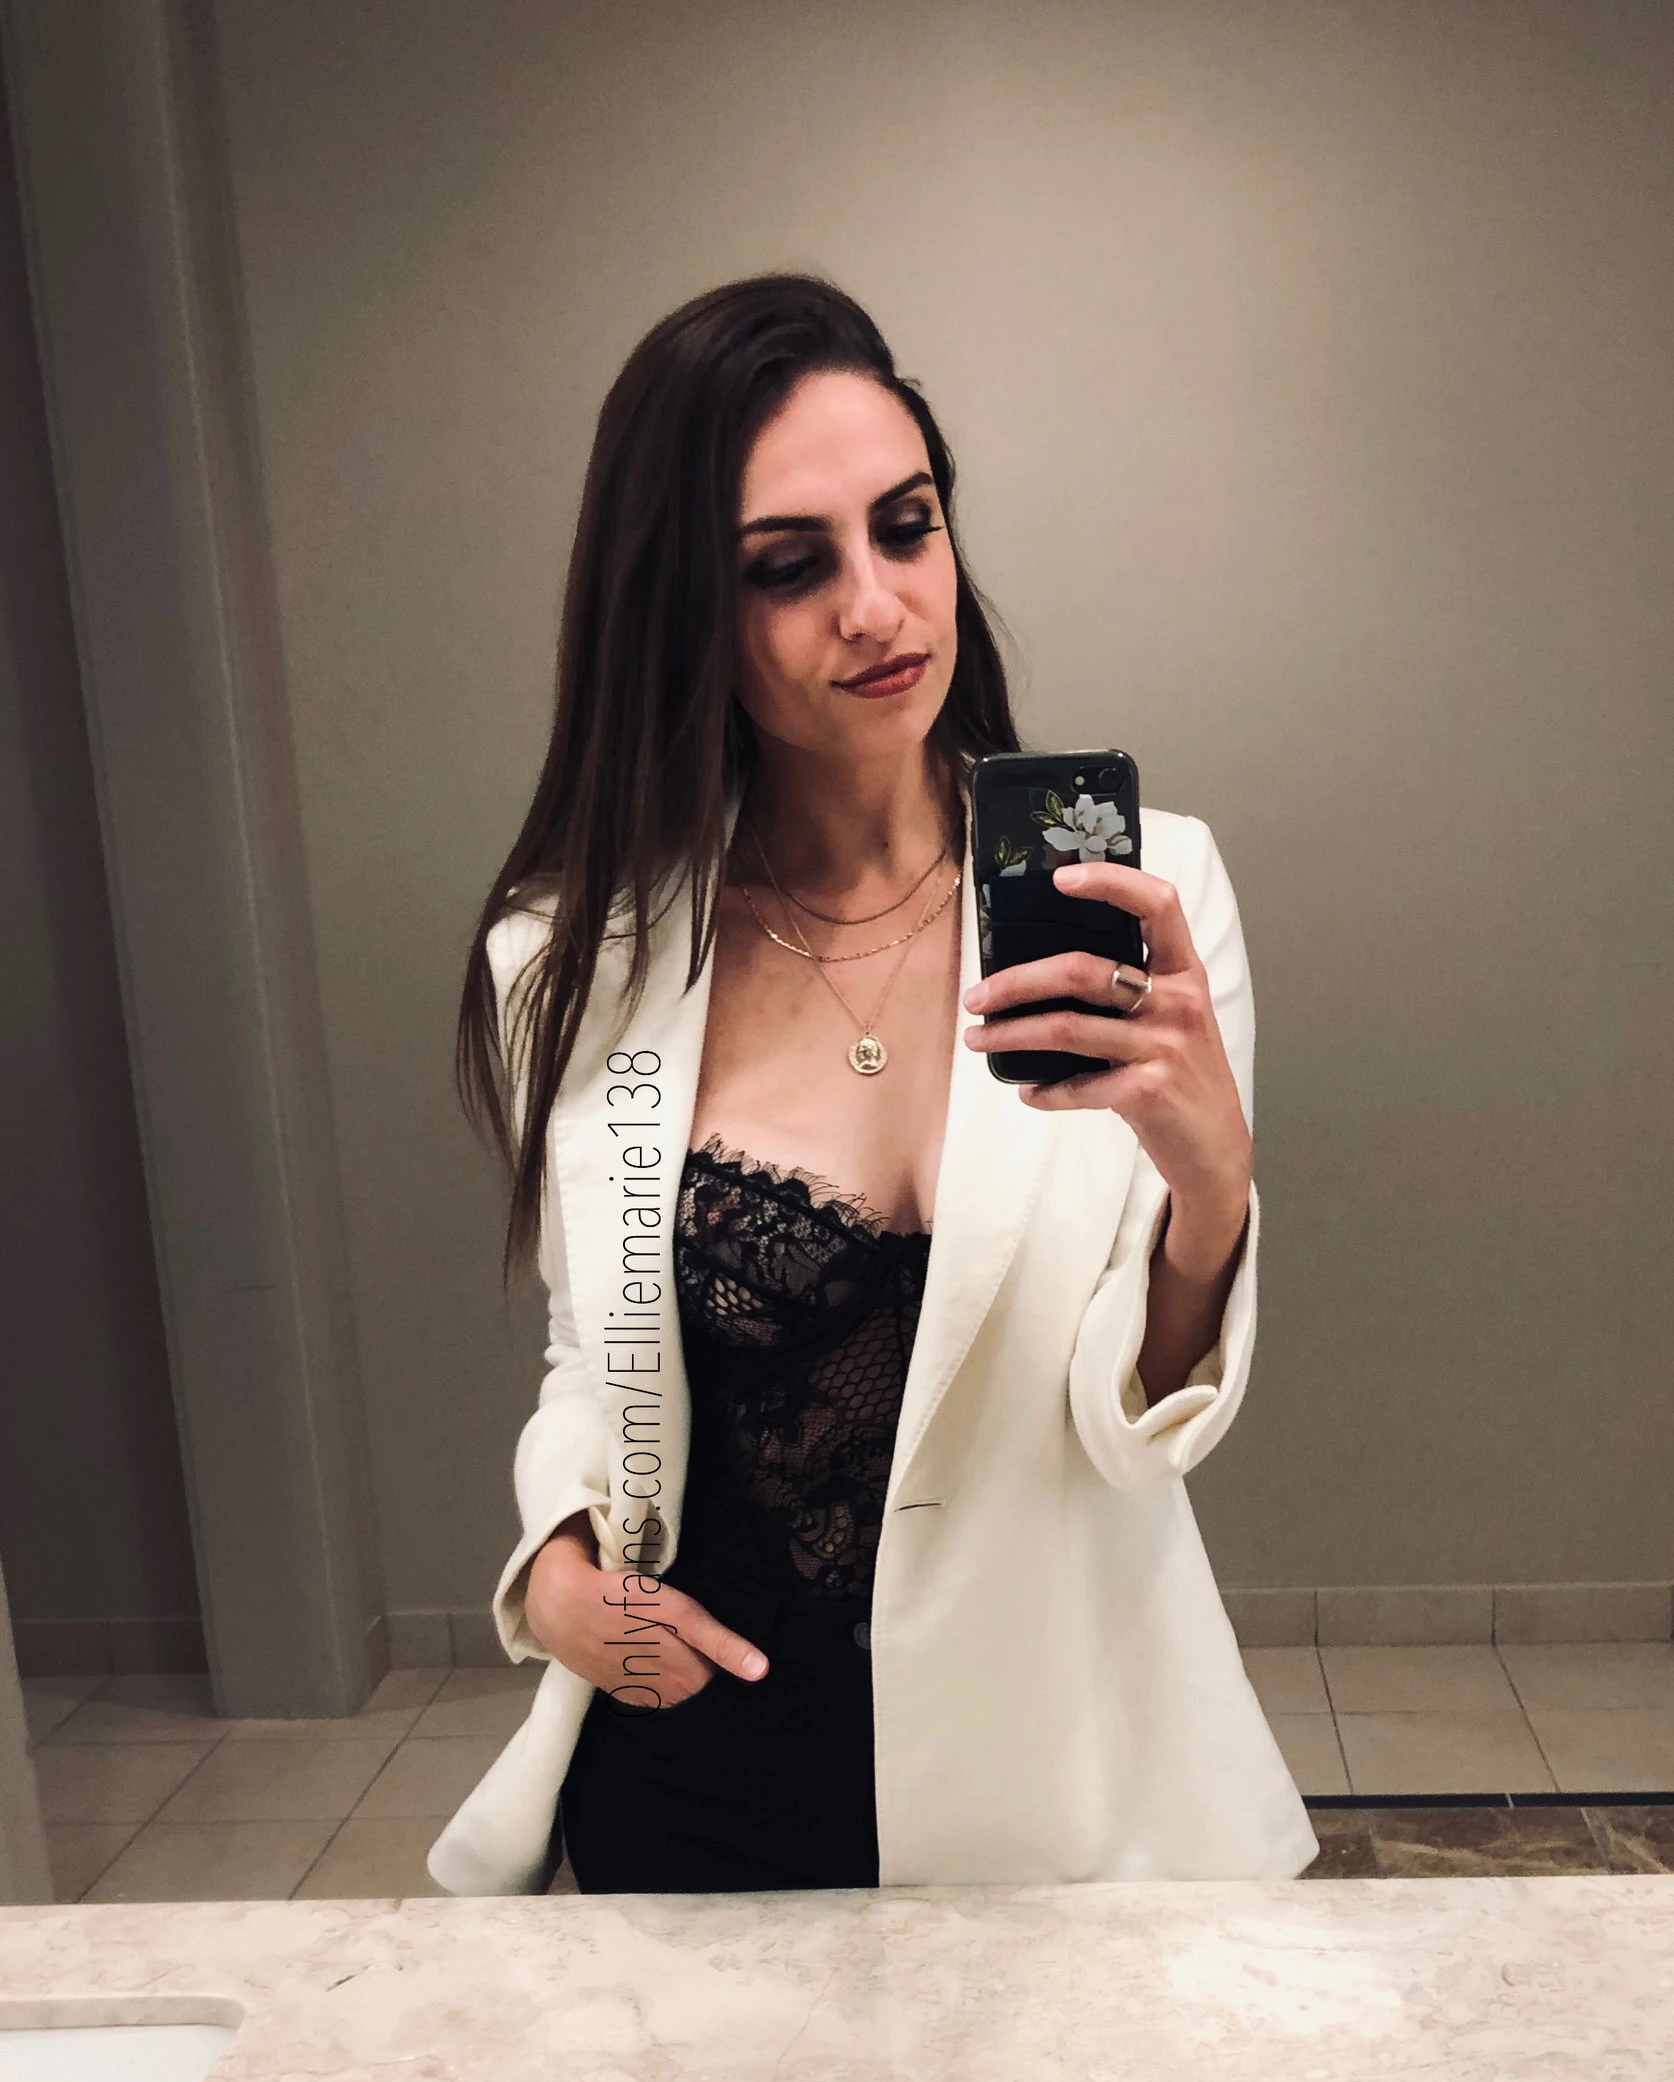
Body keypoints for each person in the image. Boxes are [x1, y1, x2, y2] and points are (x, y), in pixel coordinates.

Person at [426, 271, 1317, 1899]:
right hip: (692, 1765)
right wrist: (552, 1564)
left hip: (1054, 1774)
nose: (875, 604)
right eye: (789, 566)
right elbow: (590, 1350)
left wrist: (1211, 1190)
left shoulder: (1148, 893)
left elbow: (1134, 1441)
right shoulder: (570, 958)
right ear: (680, 609)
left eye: (905, 529)